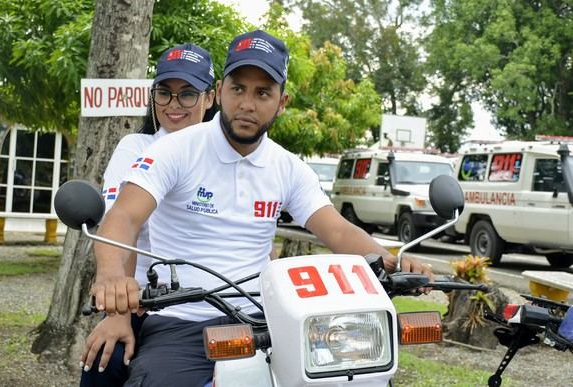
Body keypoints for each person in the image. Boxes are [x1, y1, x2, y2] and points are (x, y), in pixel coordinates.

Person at [91, 30, 432, 387]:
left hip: (266, 319)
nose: (247, 104)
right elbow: (124, 216)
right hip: (182, 318)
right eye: (238, 89)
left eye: (262, 93)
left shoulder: (287, 168)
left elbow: (339, 230)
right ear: (220, 91)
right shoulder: (174, 150)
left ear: (281, 102)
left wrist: (392, 261)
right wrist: (113, 276)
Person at [79, 43, 216, 387]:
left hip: (218, 303)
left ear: (210, 97)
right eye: (164, 93)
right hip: (144, 298)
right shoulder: (137, 148)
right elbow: (120, 224)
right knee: (102, 360)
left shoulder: (227, 156)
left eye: (187, 94)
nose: (174, 105)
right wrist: (119, 312)